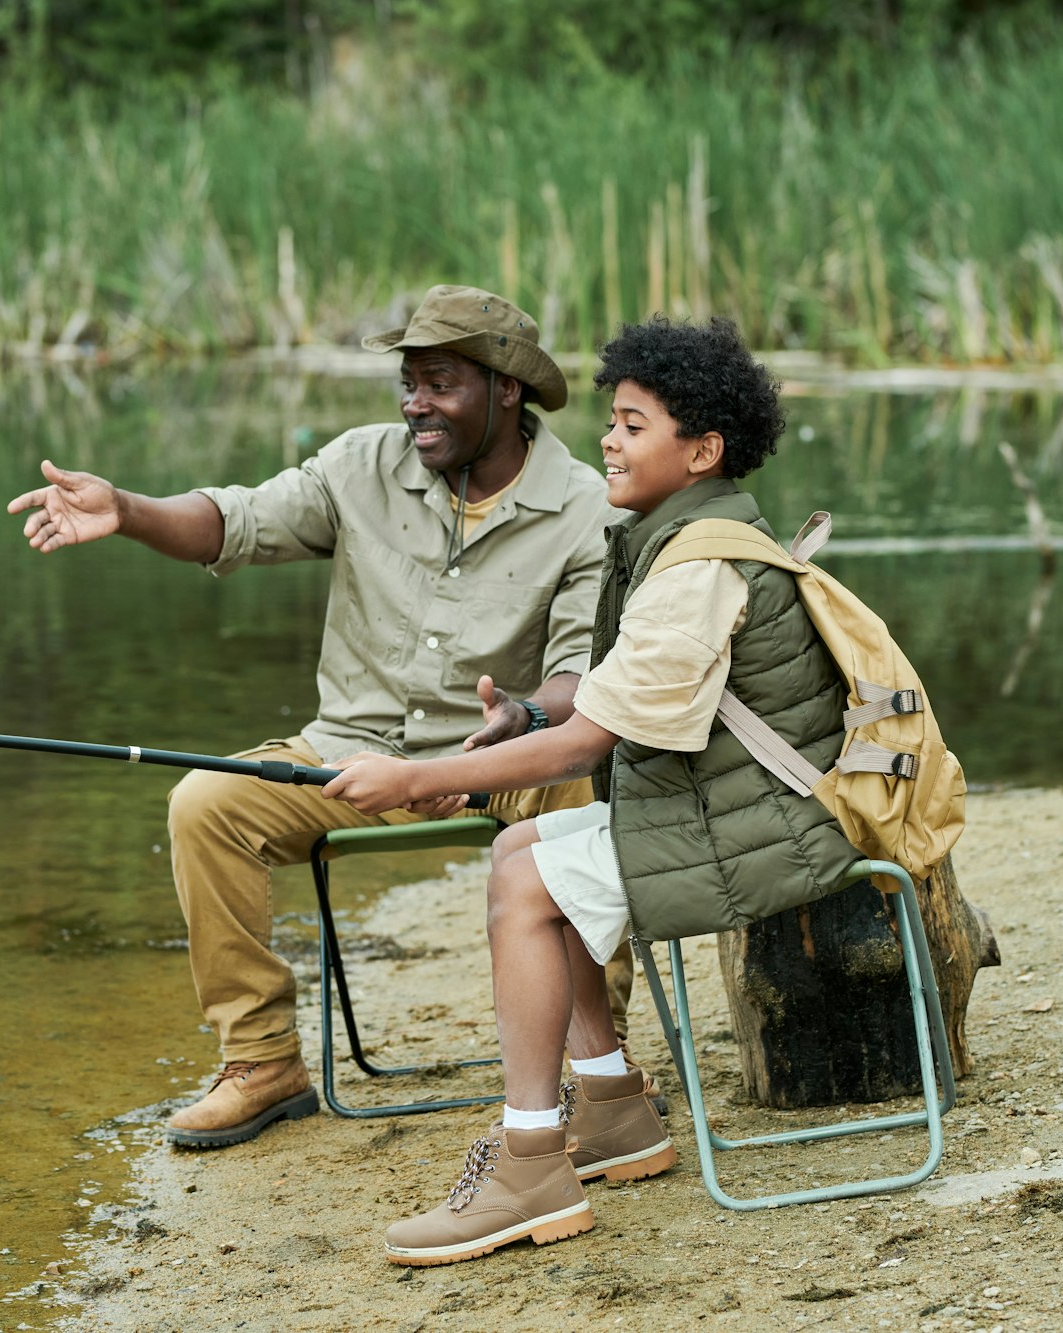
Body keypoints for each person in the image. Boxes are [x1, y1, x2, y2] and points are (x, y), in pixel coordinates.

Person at [8, 285, 626, 1148]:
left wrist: (518, 716)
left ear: (507, 389)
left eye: (440, 382)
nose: (415, 403)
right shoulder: (360, 465)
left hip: (499, 765)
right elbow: (236, 521)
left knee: (586, 792)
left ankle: (600, 1068)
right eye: (408, 383)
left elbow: (576, 680)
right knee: (205, 804)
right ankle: (262, 1062)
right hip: (352, 757)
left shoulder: (589, 507)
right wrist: (127, 511)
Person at [324, 315, 861, 1265]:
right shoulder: (679, 536)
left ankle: (529, 1157)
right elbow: (592, 726)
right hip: (739, 813)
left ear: (703, 451)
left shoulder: (696, 569)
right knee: (524, 849)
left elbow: (585, 744)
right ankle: (611, 1104)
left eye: (633, 425)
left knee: (528, 883)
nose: (607, 442)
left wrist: (420, 774)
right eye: (611, 420)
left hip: (772, 833)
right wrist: (501, 739)